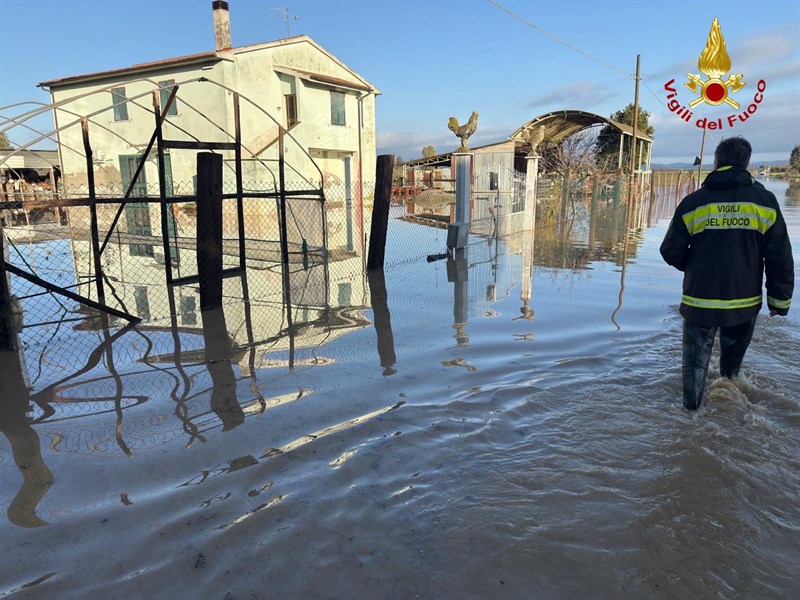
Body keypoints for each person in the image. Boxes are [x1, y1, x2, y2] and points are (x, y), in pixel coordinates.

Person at [660, 136, 794, 410]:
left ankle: (691, 419)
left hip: (699, 302)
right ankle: (729, 410)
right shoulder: (765, 202)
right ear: (746, 164)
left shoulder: (693, 202)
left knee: (694, 370)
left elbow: (670, 250)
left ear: (717, 162)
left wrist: (696, 266)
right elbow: (779, 256)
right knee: (730, 375)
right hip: (743, 306)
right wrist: (779, 301)